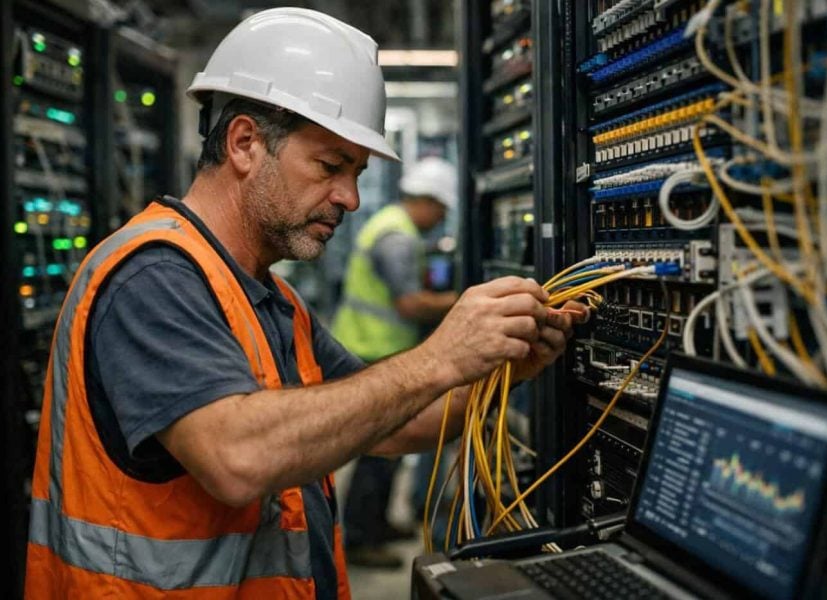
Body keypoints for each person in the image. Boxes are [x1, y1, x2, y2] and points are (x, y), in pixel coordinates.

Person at [24, 7, 587, 599]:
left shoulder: (274, 301)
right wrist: (438, 358)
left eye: (357, 172)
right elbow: (235, 456)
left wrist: (499, 370)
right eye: (329, 166)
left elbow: (390, 425)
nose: (349, 196)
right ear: (244, 143)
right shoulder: (154, 275)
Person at [330, 157, 460, 568]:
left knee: (384, 452)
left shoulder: (393, 225)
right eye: (440, 209)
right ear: (426, 200)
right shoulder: (397, 237)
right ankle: (361, 538)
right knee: (377, 449)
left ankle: (377, 523)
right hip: (370, 347)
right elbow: (408, 304)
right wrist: (463, 304)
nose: (440, 219)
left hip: (377, 345)